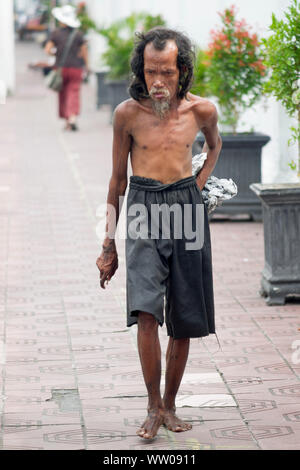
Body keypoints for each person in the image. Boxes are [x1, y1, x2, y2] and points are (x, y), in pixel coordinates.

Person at [96, 27, 222, 440]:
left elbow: (215, 145)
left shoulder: (202, 111)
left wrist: (198, 185)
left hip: (187, 208)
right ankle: (152, 408)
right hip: (144, 208)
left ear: (181, 70)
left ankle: (170, 406)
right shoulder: (127, 115)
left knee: (184, 318)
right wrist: (108, 244)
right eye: (151, 72)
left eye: (167, 72)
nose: (158, 81)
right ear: (141, 70)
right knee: (146, 312)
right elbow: (117, 181)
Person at [44, 5, 89, 131]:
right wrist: (87, 65)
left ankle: (67, 121)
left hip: (60, 68)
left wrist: (55, 53)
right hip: (76, 68)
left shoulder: (56, 33)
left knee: (63, 94)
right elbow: (84, 51)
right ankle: (72, 118)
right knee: (73, 93)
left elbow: (47, 50)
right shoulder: (79, 34)